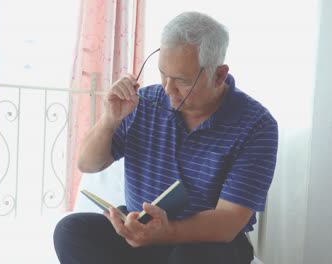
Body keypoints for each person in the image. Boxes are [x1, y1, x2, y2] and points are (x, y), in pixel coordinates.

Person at [54, 11, 278, 264]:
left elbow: (228, 220)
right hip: (143, 226)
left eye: (182, 81)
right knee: (70, 230)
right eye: (163, 74)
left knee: (190, 257)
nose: (168, 89)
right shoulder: (143, 102)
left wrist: (166, 232)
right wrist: (110, 119)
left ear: (218, 75)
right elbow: (88, 163)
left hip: (205, 242)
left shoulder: (257, 125)